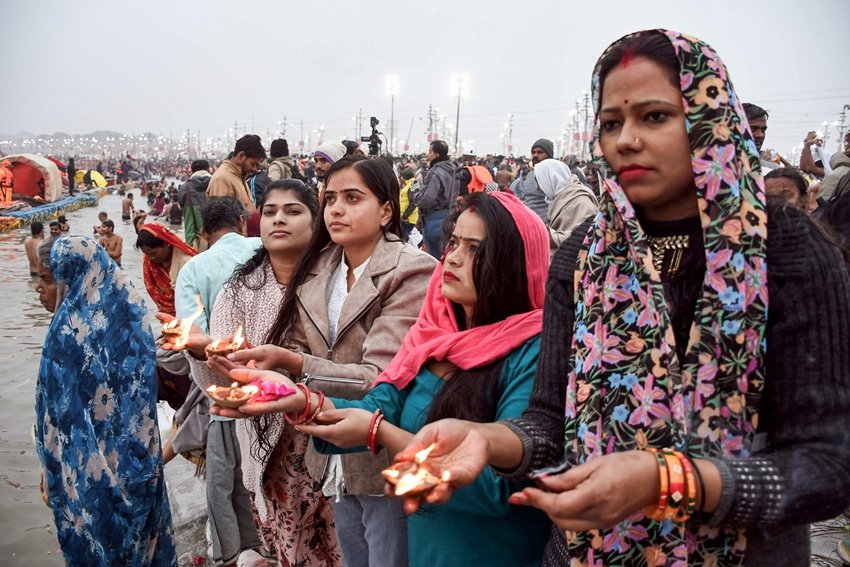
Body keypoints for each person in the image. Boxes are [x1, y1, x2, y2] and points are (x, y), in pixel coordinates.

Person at [394, 29, 850, 566]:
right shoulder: (586, 255)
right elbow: (548, 421)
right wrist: (490, 440)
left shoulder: (788, 253)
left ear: (710, 120)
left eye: (654, 116)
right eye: (611, 123)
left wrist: (669, 480)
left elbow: (828, 463)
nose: (625, 140)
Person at [242, 192, 553, 567]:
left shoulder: (535, 351)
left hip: (491, 550)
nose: (451, 257)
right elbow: (379, 405)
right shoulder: (435, 336)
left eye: (475, 249)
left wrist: (380, 433)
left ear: (514, 266)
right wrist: (302, 401)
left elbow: (499, 486)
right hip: (426, 545)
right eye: (453, 242)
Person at [213, 156, 436, 567]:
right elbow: (301, 346)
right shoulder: (320, 268)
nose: (336, 209)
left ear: (387, 210)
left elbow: (379, 377)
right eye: (330, 198)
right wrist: (258, 374)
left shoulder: (411, 272)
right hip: (332, 455)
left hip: (383, 452)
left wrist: (291, 364)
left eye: (353, 198)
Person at [164, 181, 339, 566]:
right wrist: (202, 350)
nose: (279, 218)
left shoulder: (338, 282)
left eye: (293, 211)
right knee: (287, 543)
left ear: (316, 222)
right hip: (268, 442)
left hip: (331, 429)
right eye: (272, 210)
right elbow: (221, 387)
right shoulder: (238, 290)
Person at [34, 236, 176, 566]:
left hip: (92, 479)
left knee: (101, 549)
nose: (39, 289)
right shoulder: (134, 312)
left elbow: (61, 420)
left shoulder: (66, 335)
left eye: (46, 279)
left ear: (69, 278)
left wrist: (49, 468)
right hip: (141, 463)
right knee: (146, 544)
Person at [533, 158, 599, 253]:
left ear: (551, 179)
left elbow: (587, 236)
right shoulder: (559, 198)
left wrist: (554, 238)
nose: (539, 188)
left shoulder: (580, 200)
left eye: (540, 182)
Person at [137, 222, 197, 315]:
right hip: (166, 316)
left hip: (191, 314)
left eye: (153, 253)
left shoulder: (187, 263)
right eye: (147, 254)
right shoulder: (149, 261)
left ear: (166, 244)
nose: (151, 258)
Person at [420, 140, 458, 258]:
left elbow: (428, 199)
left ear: (436, 155)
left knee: (434, 259)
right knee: (445, 255)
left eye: (430, 151)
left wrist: (416, 197)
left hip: (434, 218)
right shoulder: (454, 169)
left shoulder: (436, 171)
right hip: (450, 214)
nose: (428, 154)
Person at [208, 135, 267, 211]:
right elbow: (222, 219)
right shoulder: (222, 179)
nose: (255, 169)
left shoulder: (240, 177)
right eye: (253, 164)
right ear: (241, 155)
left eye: (257, 166)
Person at [179, 159, 212, 251]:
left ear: (192, 171)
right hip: (215, 241)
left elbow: (183, 211)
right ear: (208, 169)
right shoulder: (216, 184)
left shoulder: (184, 188)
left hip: (194, 242)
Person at [520, 139, 555, 223]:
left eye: (540, 152)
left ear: (549, 155)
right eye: (533, 152)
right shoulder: (530, 175)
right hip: (527, 219)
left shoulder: (554, 175)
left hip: (545, 223)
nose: (535, 155)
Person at [398, 167, 419, 240]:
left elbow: (414, 202)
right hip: (405, 217)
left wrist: (405, 215)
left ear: (405, 177)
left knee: (403, 238)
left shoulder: (413, 184)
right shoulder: (408, 184)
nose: (400, 178)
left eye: (401, 176)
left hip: (408, 219)